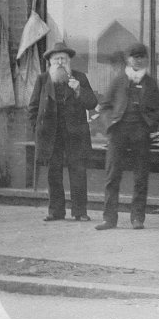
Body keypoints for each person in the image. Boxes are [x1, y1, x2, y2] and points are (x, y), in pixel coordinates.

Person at [96, 43, 159, 230]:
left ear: (146, 60)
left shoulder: (150, 83)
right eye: (135, 56)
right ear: (128, 59)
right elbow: (105, 107)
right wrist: (110, 125)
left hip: (140, 134)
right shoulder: (118, 81)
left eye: (142, 57)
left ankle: (137, 218)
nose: (139, 60)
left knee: (140, 177)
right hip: (118, 133)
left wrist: (148, 126)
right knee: (112, 176)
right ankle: (109, 219)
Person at [28, 42, 98, 222]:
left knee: (78, 173)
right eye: (56, 59)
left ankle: (80, 212)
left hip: (75, 134)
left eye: (63, 59)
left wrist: (78, 90)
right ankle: (55, 211)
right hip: (51, 134)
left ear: (69, 61)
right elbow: (33, 107)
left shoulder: (80, 78)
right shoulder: (43, 79)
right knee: (53, 173)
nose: (60, 62)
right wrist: (36, 130)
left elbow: (92, 103)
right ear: (50, 62)